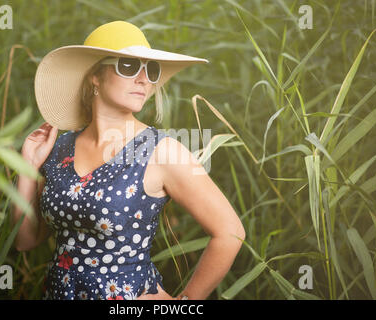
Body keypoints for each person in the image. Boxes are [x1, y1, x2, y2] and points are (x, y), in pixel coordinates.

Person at [13, 21, 246, 300]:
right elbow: (25, 239)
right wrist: (27, 166)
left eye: (151, 70)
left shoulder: (160, 151)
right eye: (129, 66)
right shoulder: (61, 148)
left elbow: (230, 232)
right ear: (94, 76)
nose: (144, 79)